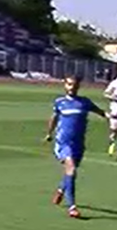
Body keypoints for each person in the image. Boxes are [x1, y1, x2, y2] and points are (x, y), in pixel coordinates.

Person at [45, 75, 108, 219]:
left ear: (78, 86)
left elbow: (101, 112)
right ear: (65, 85)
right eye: (69, 84)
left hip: (78, 143)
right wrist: (49, 133)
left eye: (74, 85)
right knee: (71, 169)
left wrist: (112, 117)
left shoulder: (84, 102)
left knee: (70, 173)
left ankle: (61, 189)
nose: (71, 87)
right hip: (63, 143)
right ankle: (72, 207)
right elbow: (53, 118)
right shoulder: (60, 102)